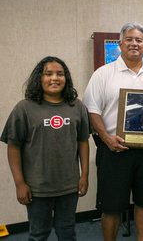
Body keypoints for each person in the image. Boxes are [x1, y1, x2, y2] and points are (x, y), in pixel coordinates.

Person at [83, 22, 143, 241]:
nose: (134, 43)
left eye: (139, 40)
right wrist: (106, 138)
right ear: (120, 43)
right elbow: (92, 112)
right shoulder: (102, 74)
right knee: (112, 206)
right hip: (114, 149)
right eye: (129, 39)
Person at [1, 56, 90, 240]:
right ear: (39, 78)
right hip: (37, 188)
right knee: (39, 234)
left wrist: (84, 175)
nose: (55, 78)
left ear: (66, 78)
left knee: (67, 232)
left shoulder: (77, 107)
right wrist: (20, 183)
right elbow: (13, 147)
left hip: (68, 186)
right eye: (48, 74)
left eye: (60, 74)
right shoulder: (24, 108)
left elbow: (83, 141)